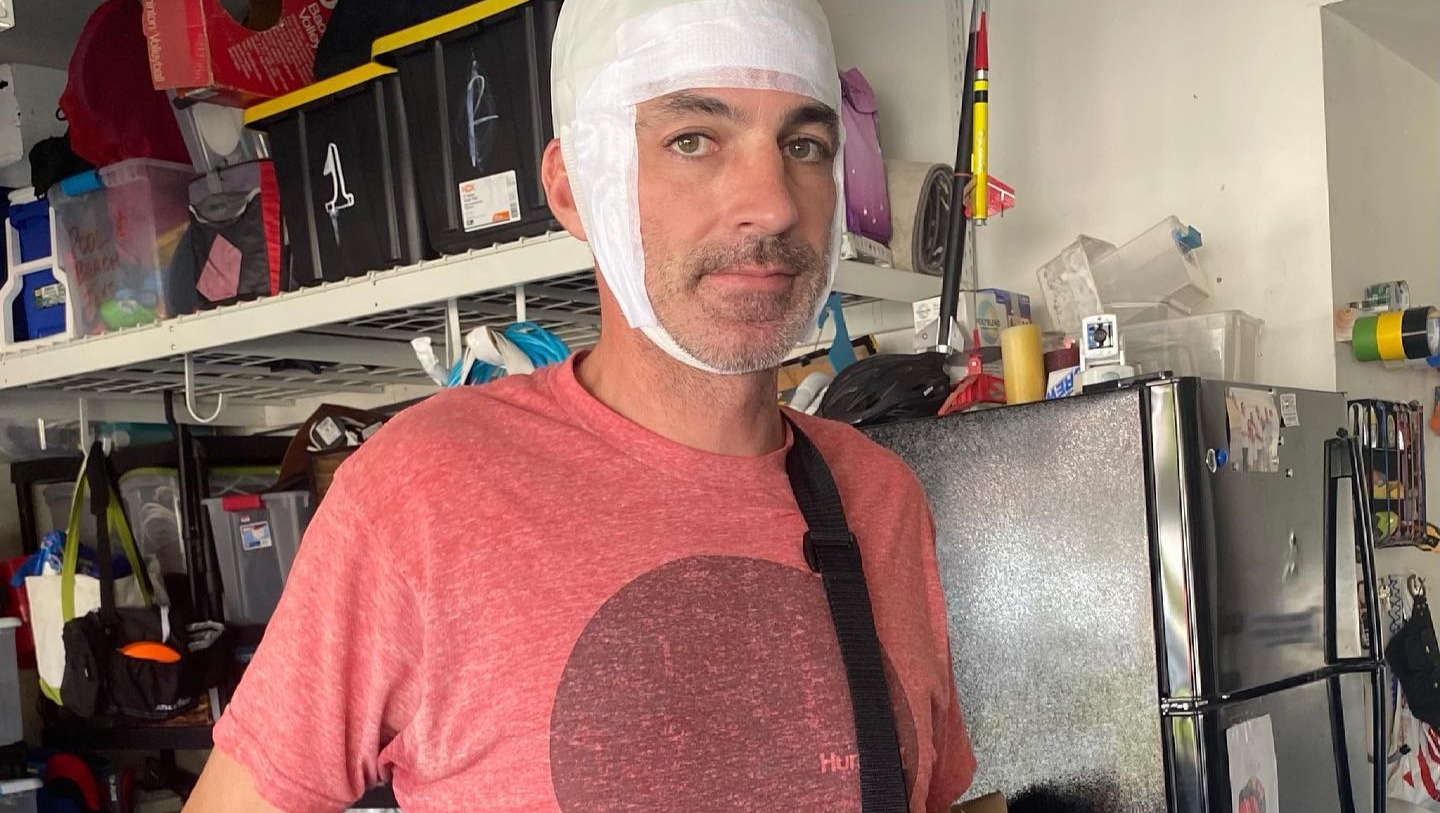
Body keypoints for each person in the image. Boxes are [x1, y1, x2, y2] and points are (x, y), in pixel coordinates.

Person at [183, 0, 974, 810]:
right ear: (571, 188)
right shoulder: (421, 493)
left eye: (804, 145)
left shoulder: (881, 498)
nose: (772, 203)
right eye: (693, 140)